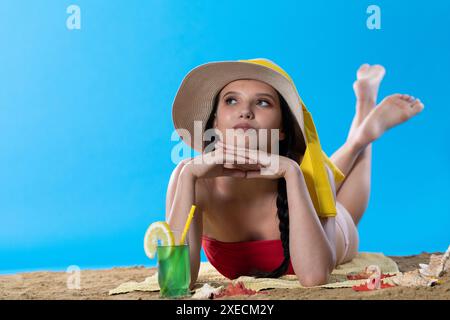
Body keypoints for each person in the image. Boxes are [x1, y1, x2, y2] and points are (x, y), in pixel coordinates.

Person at [166, 59, 424, 289]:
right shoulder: (189, 177)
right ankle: (358, 135)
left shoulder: (304, 173)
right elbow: (175, 281)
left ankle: (364, 132)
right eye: (231, 100)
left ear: (281, 130)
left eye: (263, 102)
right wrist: (188, 176)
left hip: (335, 235)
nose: (245, 110)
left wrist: (291, 172)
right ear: (214, 123)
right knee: (325, 175)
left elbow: (313, 277)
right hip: (293, 180)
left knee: (346, 210)